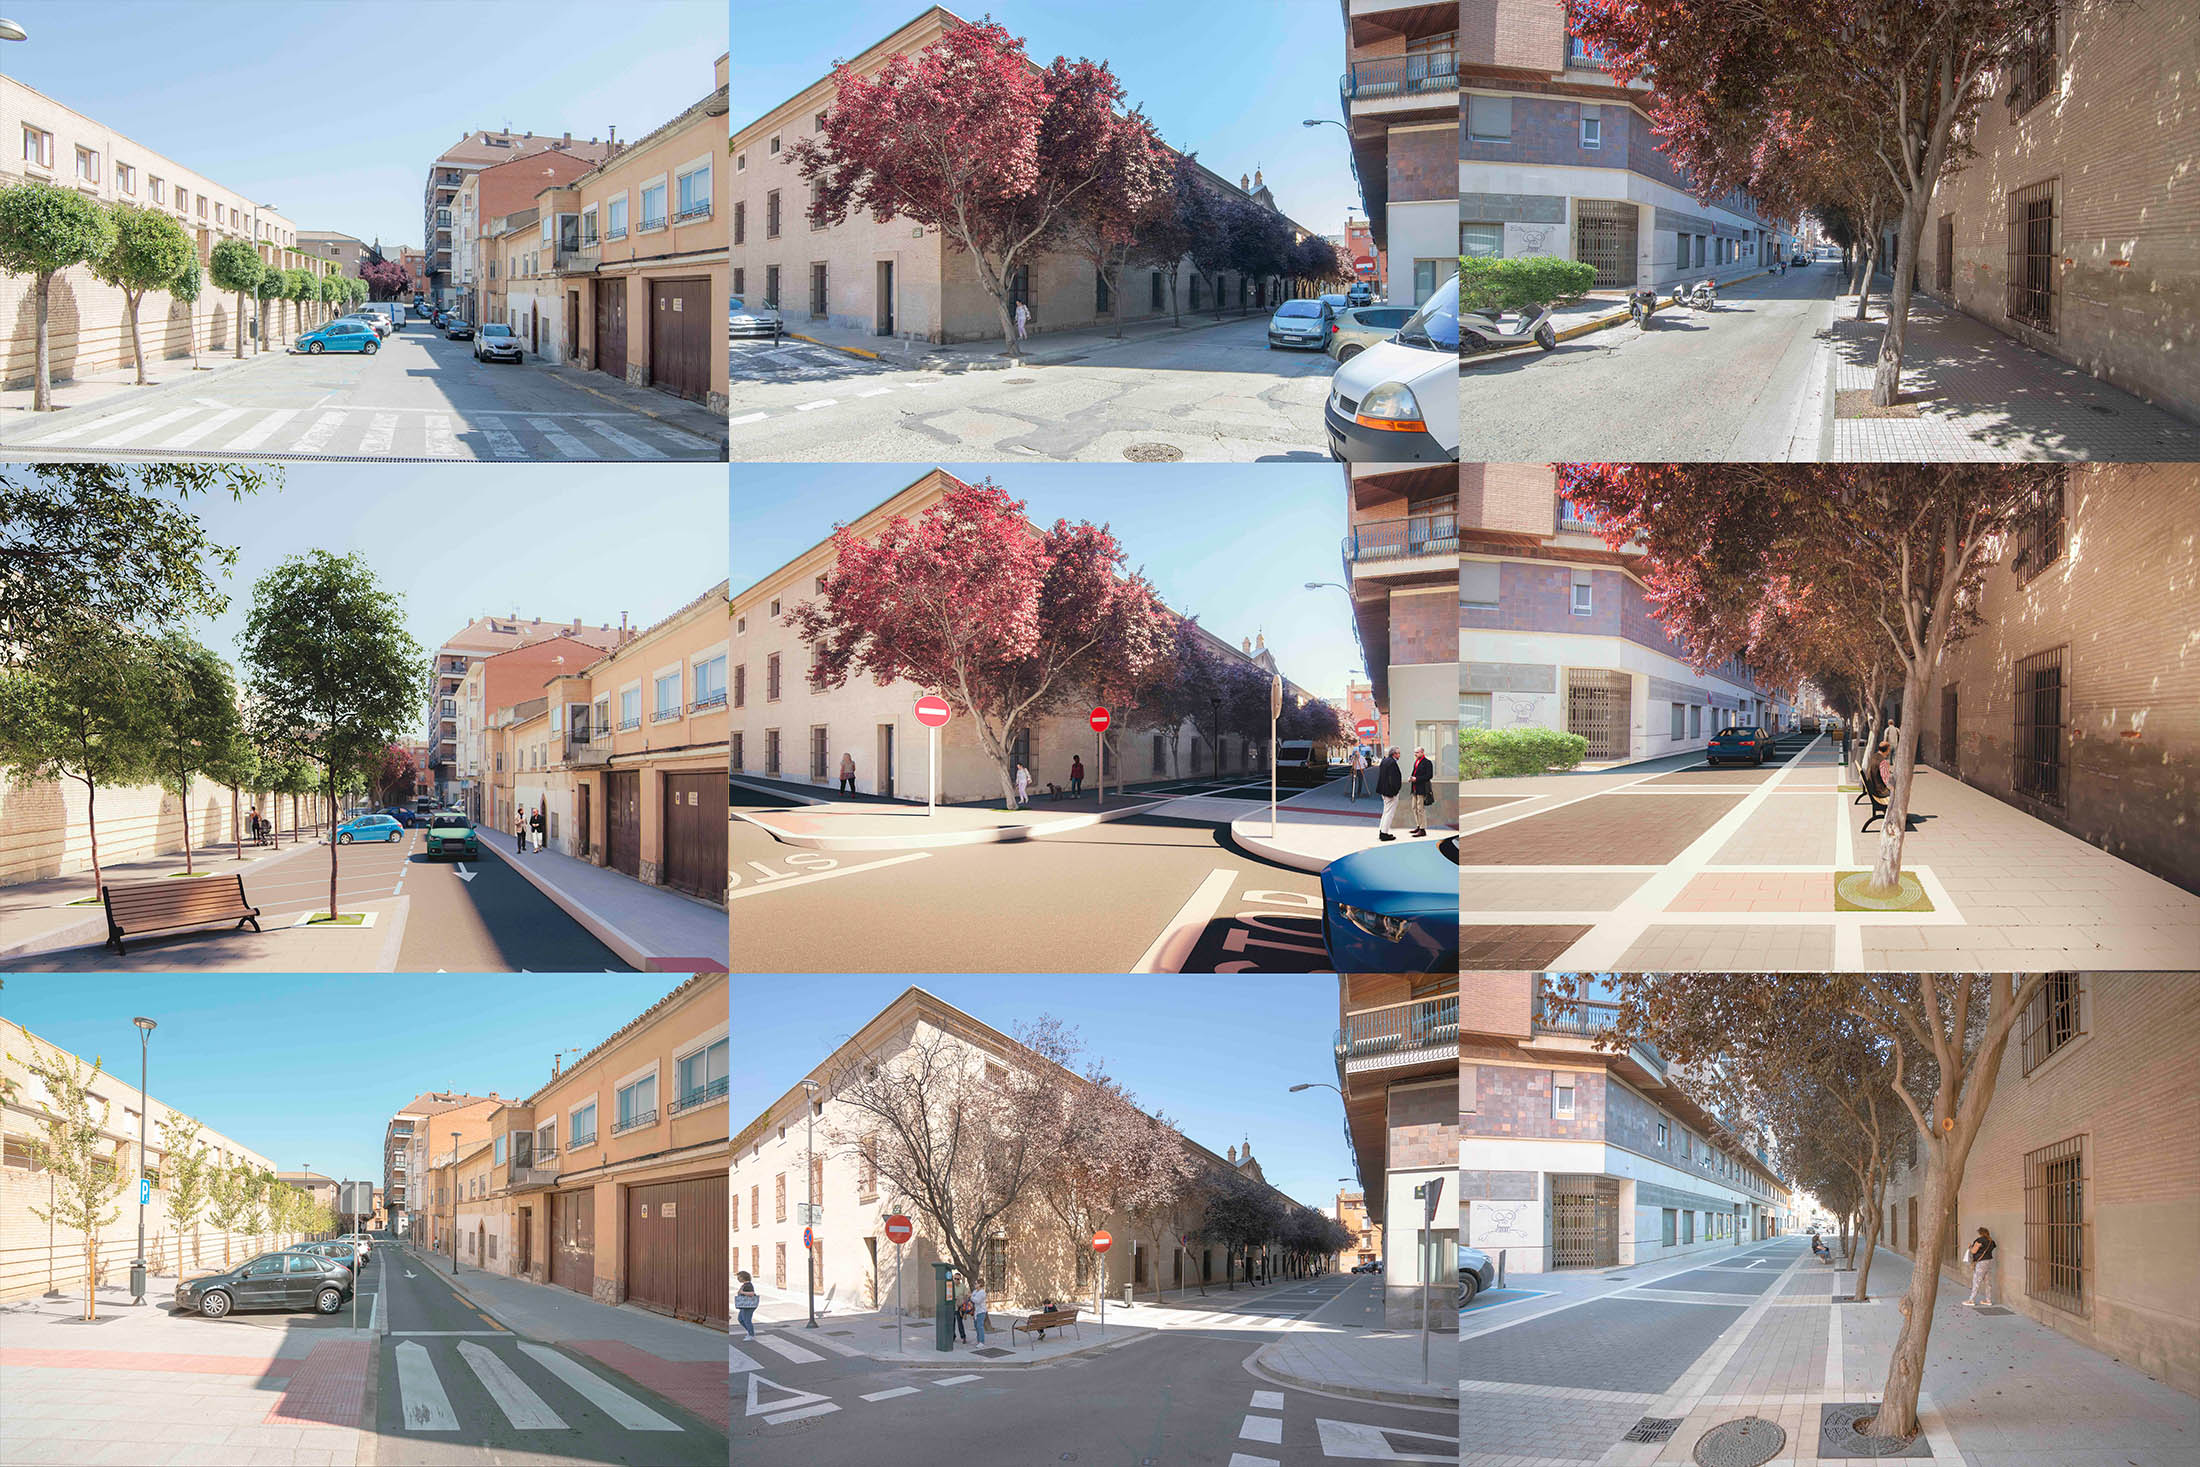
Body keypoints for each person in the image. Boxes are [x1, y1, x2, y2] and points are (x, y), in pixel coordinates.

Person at [1962, 1227, 1997, 1305]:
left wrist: (1970, 1247)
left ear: (1981, 1233)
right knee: (1987, 1282)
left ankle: (1971, 1300)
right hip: (1989, 1261)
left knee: (1976, 1280)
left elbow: (1974, 1251)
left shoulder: (1980, 1240)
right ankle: (1988, 1300)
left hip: (1981, 1262)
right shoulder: (1991, 1241)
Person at [1374, 747, 1403, 841]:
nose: (1399, 755)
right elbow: (1393, 779)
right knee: (1389, 813)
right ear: (1394, 754)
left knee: (1385, 812)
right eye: (1398, 753)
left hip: (1384, 791)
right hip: (1390, 792)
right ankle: (1384, 834)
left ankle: (1382, 831)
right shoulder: (1392, 763)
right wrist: (1395, 790)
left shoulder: (1385, 761)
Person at [1408, 746, 1434, 837]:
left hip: (1422, 789)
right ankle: (1418, 826)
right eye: (1415, 752)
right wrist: (1411, 778)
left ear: (1422, 752)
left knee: (1420, 809)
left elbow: (1429, 776)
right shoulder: (1416, 762)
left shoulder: (1427, 763)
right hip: (1415, 788)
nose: (1415, 754)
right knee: (1414, 808)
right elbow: (1414, 772)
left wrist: (1417, 779)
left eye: (1417, 752)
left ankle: (1422, 829)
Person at [735, 1271, 760, 1340]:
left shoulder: (748, 1285)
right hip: (744, 1305)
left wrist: (742, 1292)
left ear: (743, 1277)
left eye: (739, 1277)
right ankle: (750, 1332)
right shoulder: (744, 1285)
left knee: (746, 1320)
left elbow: (752, 1294)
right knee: (740, 1319)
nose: (738, 1279)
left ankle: (751, 1335)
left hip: (749, 1305)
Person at [969, 1279, 988, 1345]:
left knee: (980, 1326)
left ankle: (981, 1342)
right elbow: (973, 1297)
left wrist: (971, 1297)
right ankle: (978, 1340)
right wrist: (971, 1297)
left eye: (976, 1283)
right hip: (976, 1311)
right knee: (976, 1326)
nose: (975, 1284)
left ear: (980, 1284)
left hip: (981, 1311)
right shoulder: (975, 1291)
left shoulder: (982, 1293)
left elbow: (977, 1301)